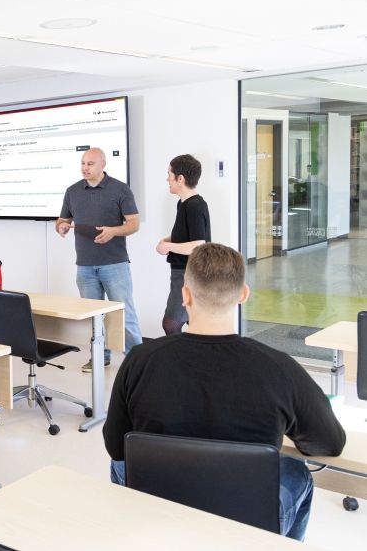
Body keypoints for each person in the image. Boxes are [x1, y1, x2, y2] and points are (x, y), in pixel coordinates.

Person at [102, 243, 346, 541]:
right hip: (244, 525)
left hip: (158, 515)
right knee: (297, 471)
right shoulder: (279, 368)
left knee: (121, 463)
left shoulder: (139, 360)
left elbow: (115, 447)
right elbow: (330, 443)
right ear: (243, 294)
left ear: (185, 295)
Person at [56, 147, 141, 371]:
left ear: (103, 164)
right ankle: (100, 357)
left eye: (90, 164)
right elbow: (62, 220)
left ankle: (137, 361)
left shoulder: (120, 189)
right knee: (95, 317)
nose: (85, 168)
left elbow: (134, 224)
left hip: (115, 265)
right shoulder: (72, 191)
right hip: (85, 267)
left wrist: (113, 231)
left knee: (124, 315)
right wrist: (61, 226)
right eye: (83, 163)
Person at [156, 154, 211, 335]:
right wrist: (167, 240)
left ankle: (181, 354)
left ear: (180, 179)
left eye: (169, 174)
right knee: (193, 322)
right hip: (182, 272)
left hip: (189, 273)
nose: (167, 179)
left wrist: (168, 247)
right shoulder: (184, 204)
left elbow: (198, 245)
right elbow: (185, 235)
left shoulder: (194, 206)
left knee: (171, 323)